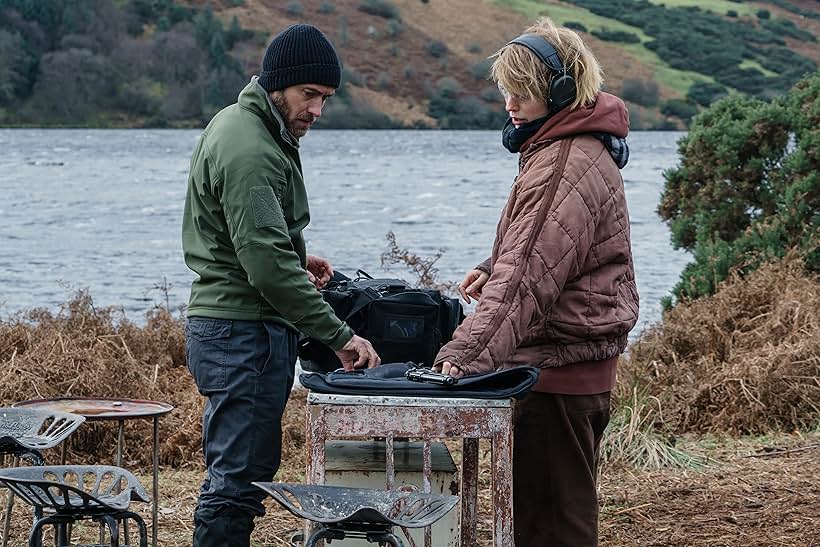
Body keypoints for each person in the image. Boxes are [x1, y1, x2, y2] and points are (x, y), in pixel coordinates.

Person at [434, 17, 638, 547]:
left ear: (560, 91)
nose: (509, 103)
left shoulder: (564, 160)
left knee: (550, 529)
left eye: (522, 91)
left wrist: (462, 356)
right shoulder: (576, 148)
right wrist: (492, 261)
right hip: (572, 367)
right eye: (507, 89)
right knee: (561, 516)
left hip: (555, 375)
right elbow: (548, 251)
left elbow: (528, 280)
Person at [181, 24, 380, 546]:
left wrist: (296, 256)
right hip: (241, 333)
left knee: (241, 476)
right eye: (309, 95)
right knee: (235, 486)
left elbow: (247, 240)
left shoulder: (247, 127)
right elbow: (265, 267)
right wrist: (340, 336)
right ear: (277, 85)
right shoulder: (252, 149)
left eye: (325, 99)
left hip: (237, 327)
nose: (317, 110)